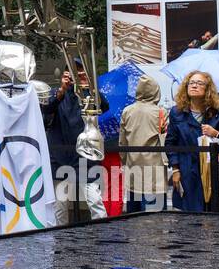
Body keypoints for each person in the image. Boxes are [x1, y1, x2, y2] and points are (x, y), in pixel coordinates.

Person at [42, 58, 110, 222]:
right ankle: (59, 243)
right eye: (74, 71)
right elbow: (46, 109)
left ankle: (102, 240)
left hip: (86, 158)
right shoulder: (58, 93)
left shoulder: (90, 94)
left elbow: (104, 107)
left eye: (81, 71)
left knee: (95, 202)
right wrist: (62, 90)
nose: (77, 75)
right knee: (60, 207)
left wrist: (90, 87)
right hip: (61, 157)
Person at [165, 71, 219, 213]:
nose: (194, 86)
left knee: (214, 217)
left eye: (199, 83)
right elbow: (171, 143)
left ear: (208, 89)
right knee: (190, 218)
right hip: (187, 171)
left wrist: (215, 133)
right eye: (191, 83)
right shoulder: (177, 112)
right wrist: (176, 169)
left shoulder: (217, 112)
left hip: (212, 171)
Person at [118, 74, 166, 212]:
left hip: (133, 169)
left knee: (133, 217)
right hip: (154, 173)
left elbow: (122, 143)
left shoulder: (127, 111)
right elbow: (165, 143)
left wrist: (126, 161)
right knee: (154, 222)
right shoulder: (161, 113)